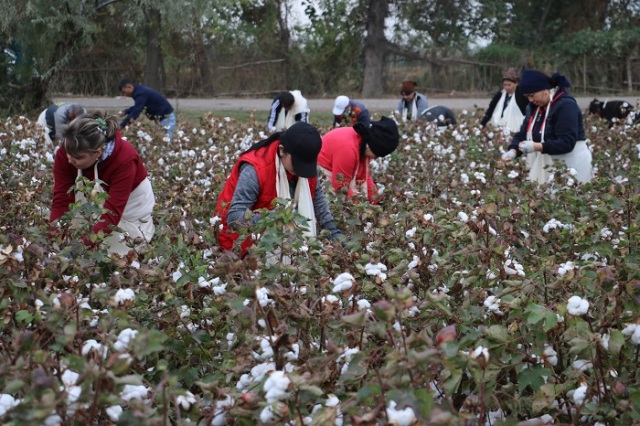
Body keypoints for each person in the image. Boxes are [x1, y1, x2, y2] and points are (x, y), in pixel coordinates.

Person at [215, 122, 342, 256]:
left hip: (277, 239)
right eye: (297, 167)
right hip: (239, 243)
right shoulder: (255, 170)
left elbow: (315, 194)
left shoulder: (304, 159)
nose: (301, 172)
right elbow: (234, 218)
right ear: (282, 150)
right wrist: (272, 218)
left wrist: (332, 230)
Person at [50, 112, 156, 256]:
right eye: (68, 153)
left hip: (131, 203)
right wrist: (55, 236)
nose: (69, 159)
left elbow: (111, 216)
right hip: (100, 196)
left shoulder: (125, 159)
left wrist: (78, 247)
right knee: (77, 225)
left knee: (119, 247)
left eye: (77, 157)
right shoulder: (69, 149)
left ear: (97, 153)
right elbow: (62, 198)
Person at [501, 70, 593, 184]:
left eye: (532, 95)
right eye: (527, 97)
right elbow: (524, 132)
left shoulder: (565, 106)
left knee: (572, 196)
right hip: (550, 163)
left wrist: (537, 146)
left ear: (544, 89)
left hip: (573, 163)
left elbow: (567, 142)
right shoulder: (534, 108)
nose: (530, 100)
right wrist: (513, 150)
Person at [318, 117, 399, 203]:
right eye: (377, 155)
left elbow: (364, 176)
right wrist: (360, 207)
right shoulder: (348, 150)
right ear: (372, 147)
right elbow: (339, 187)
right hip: (322, 175)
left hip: (338, 174)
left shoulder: (363, 144)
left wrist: (377, 201)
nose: (375, 158)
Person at [480, 67, 529, 132]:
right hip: (500, 126)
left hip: (516, 128)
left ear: (516, 83)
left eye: (509, 85)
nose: (506, 87)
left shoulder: (522, 96)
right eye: (505, 85)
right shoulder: (500, 95)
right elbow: (491, 109)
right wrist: (482, 124)